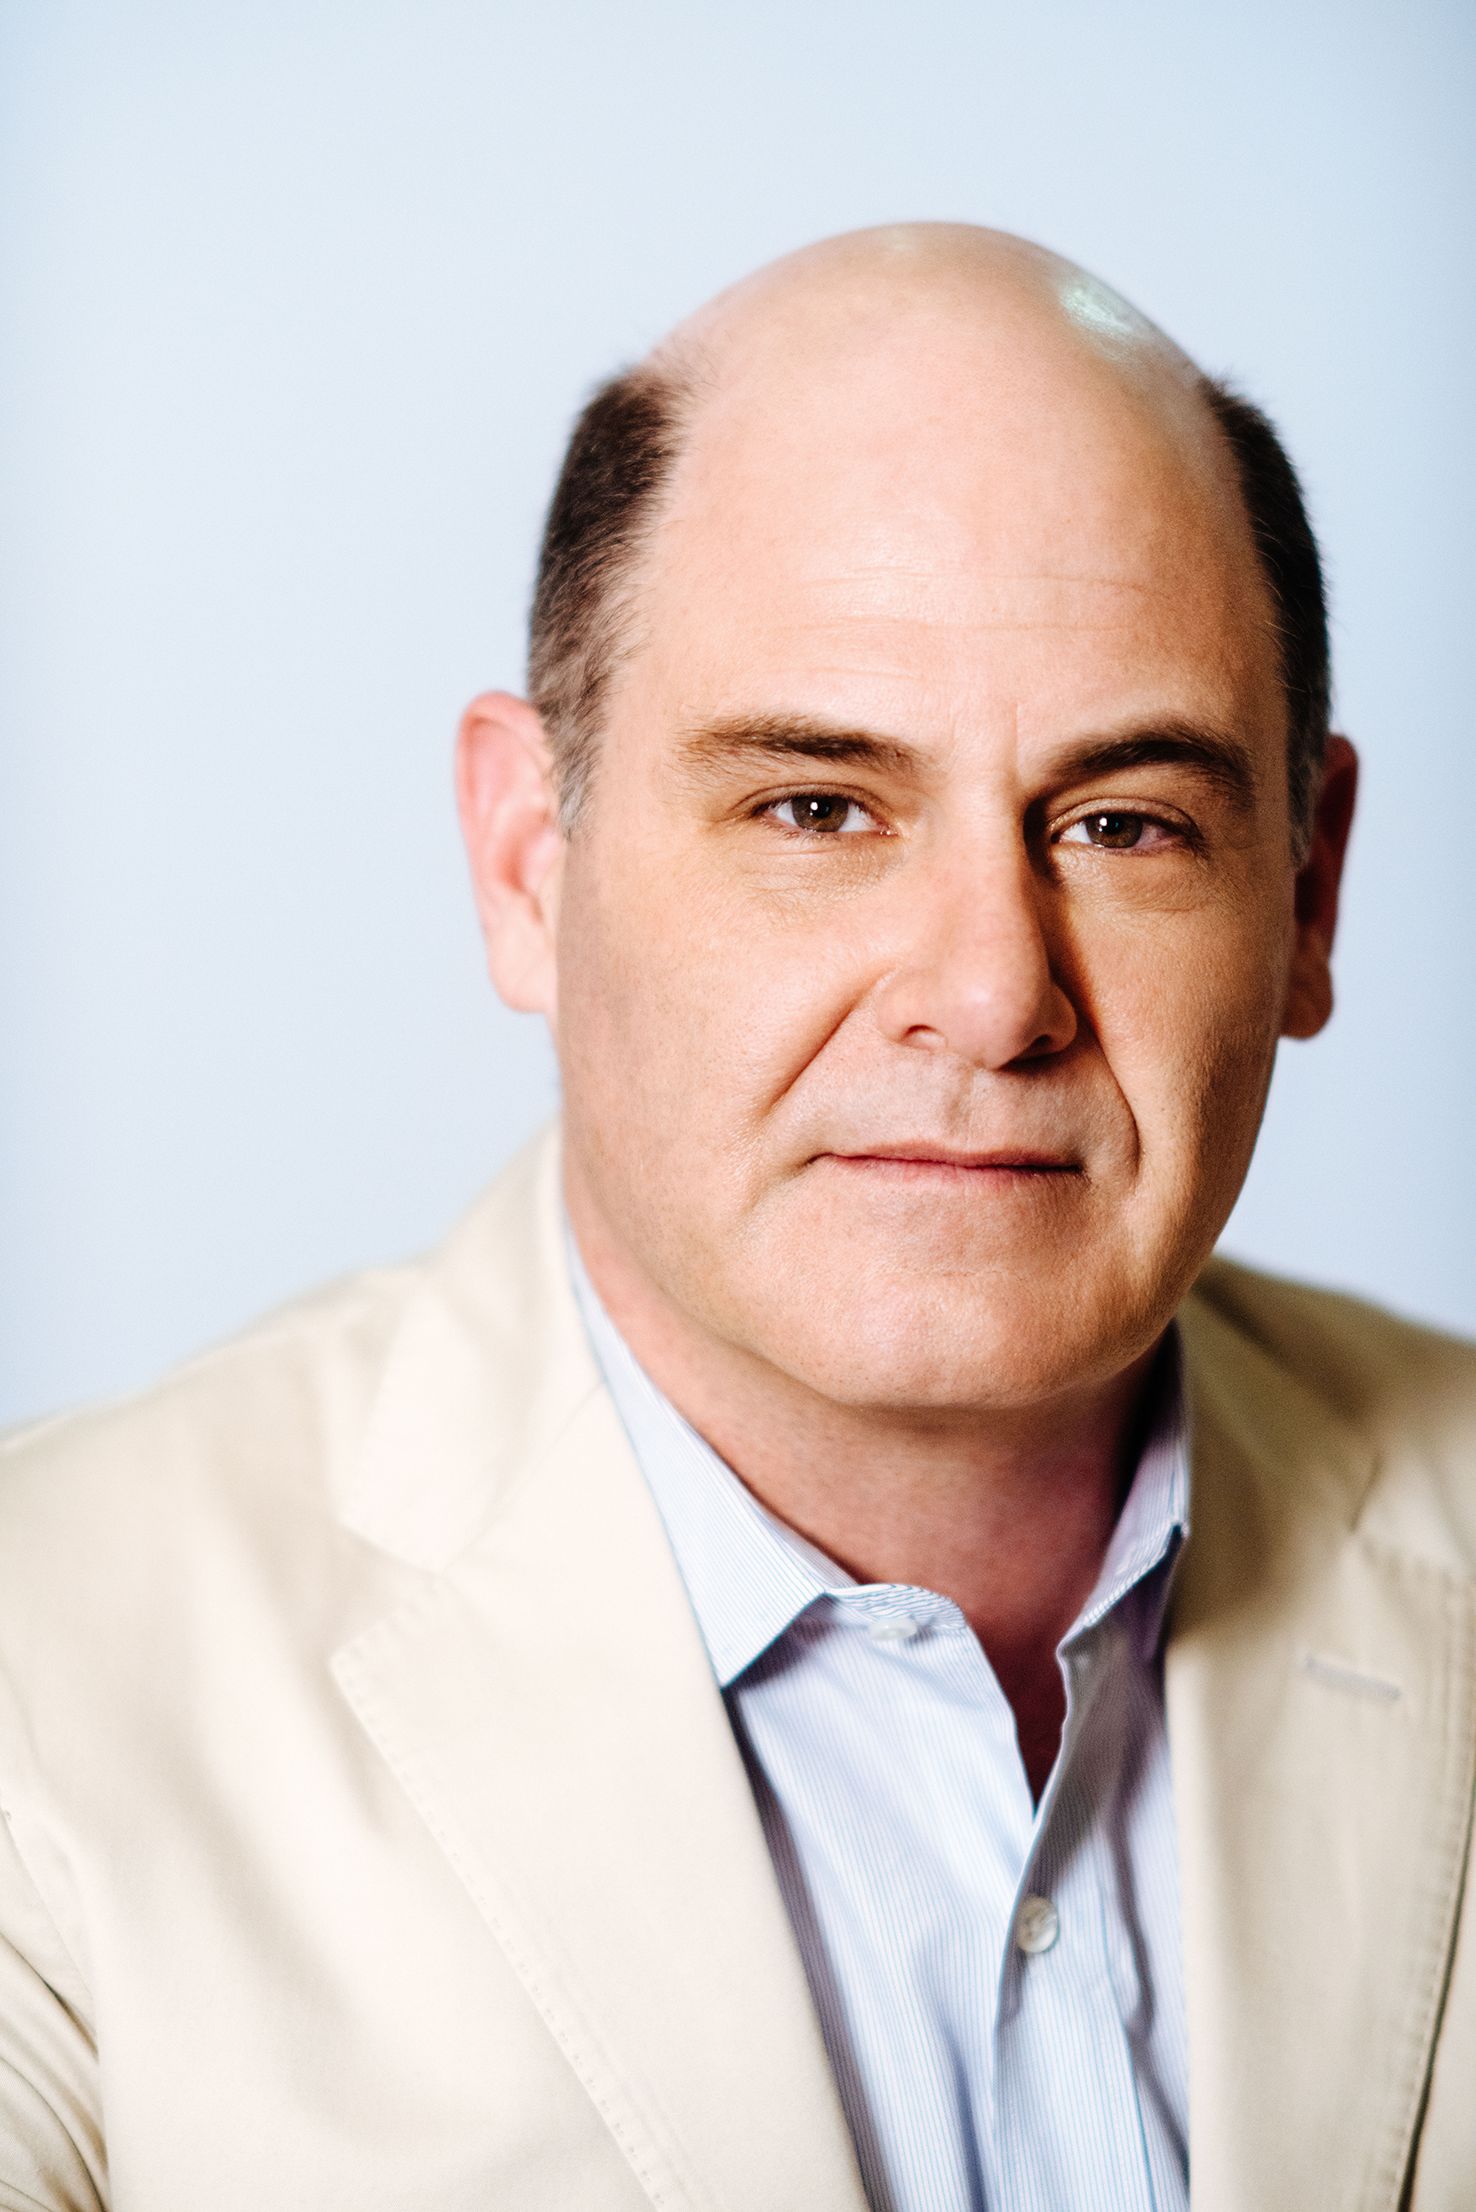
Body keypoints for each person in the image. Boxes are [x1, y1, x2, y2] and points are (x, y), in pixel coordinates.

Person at [1, 223, 1472, 2212]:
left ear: (1307, 892)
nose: (991, 992)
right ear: (528, 862)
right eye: (817, 807)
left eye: (1123, 820)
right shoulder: (42, 1683)